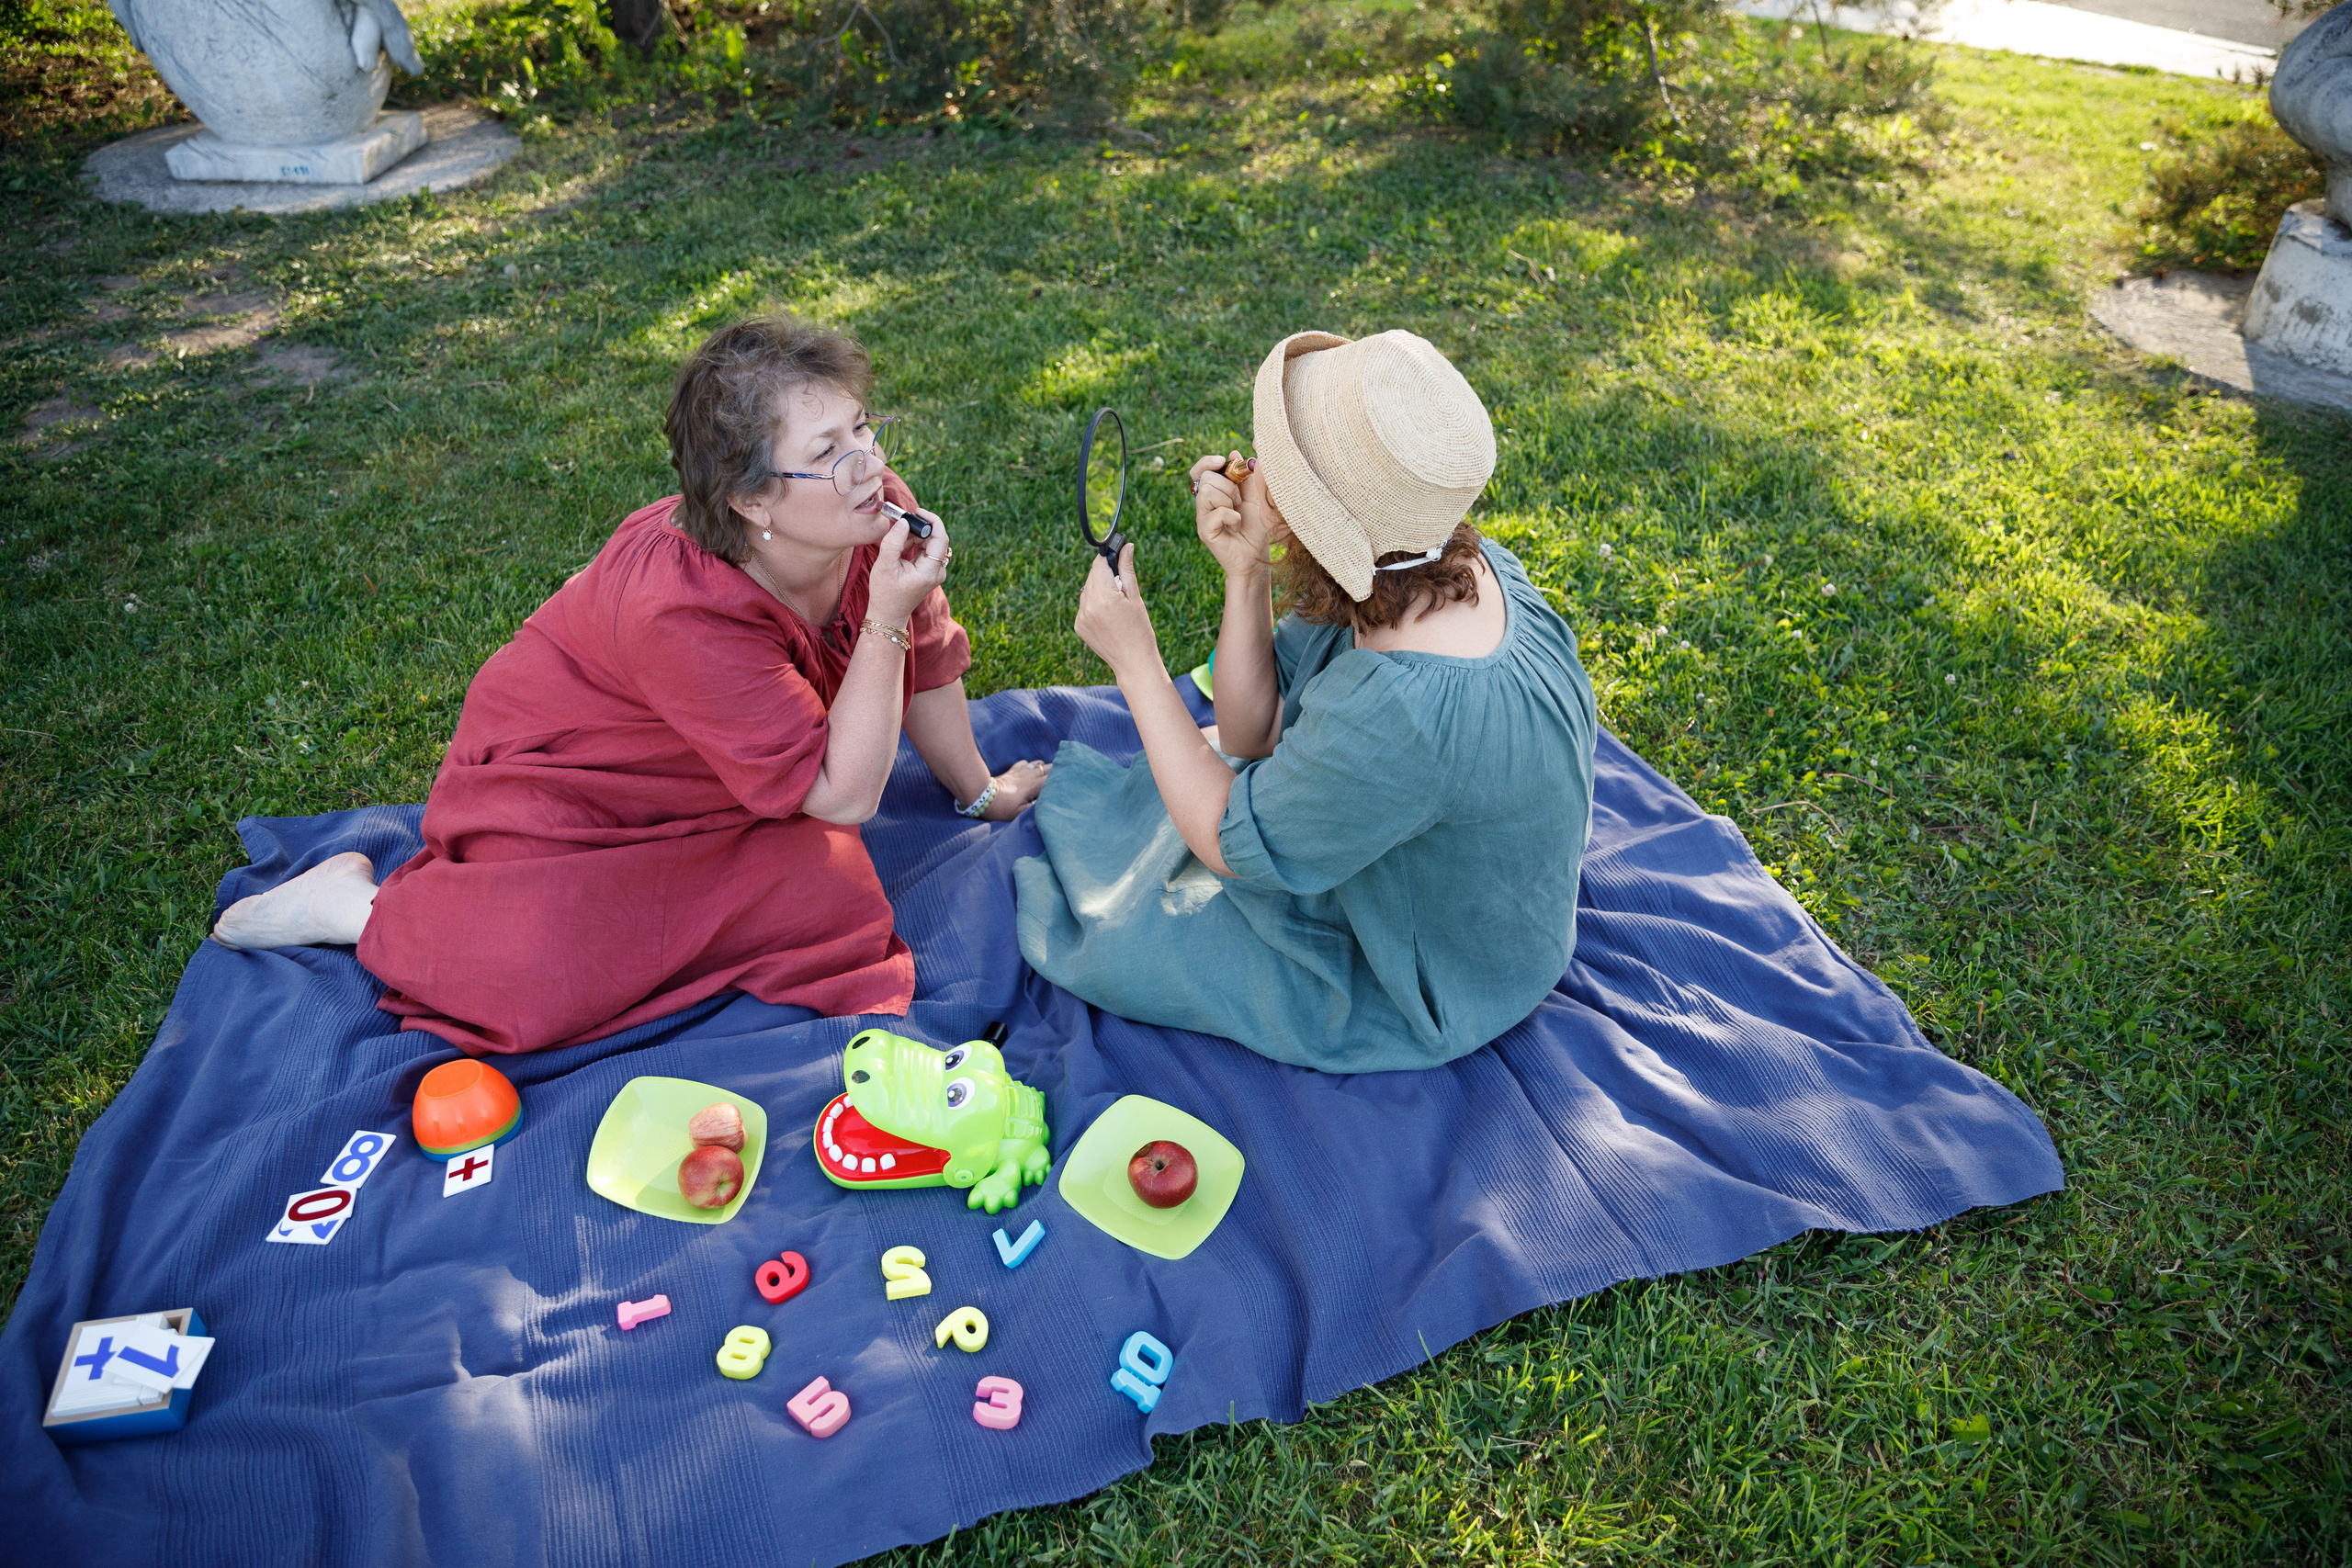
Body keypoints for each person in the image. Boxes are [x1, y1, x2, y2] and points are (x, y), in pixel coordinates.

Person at [213, 317, 1049, 1054]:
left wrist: (982, 794)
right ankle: (352, 911)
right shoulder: (678, 607)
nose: (868, 465)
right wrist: (885, 619)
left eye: (865, 430)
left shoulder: (872, 510)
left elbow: (927, 655)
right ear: (751, 498)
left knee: (827, 895)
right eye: (827, 453)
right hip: (577, 790)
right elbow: (843, 795)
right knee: (527, 982)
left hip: (729, 782)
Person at [1014, 329, 1598, 1072]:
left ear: (1325, 520)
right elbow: (1253, 731)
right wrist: (1246, 566)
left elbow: (1225, 842)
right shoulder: (1433, 565)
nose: (1251, 465)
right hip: (1455, 886)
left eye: (1278, 462)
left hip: (1439, 978)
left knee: (1132, 928)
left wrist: (1138, 666)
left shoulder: (1398, 714)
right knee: (1177, 783)